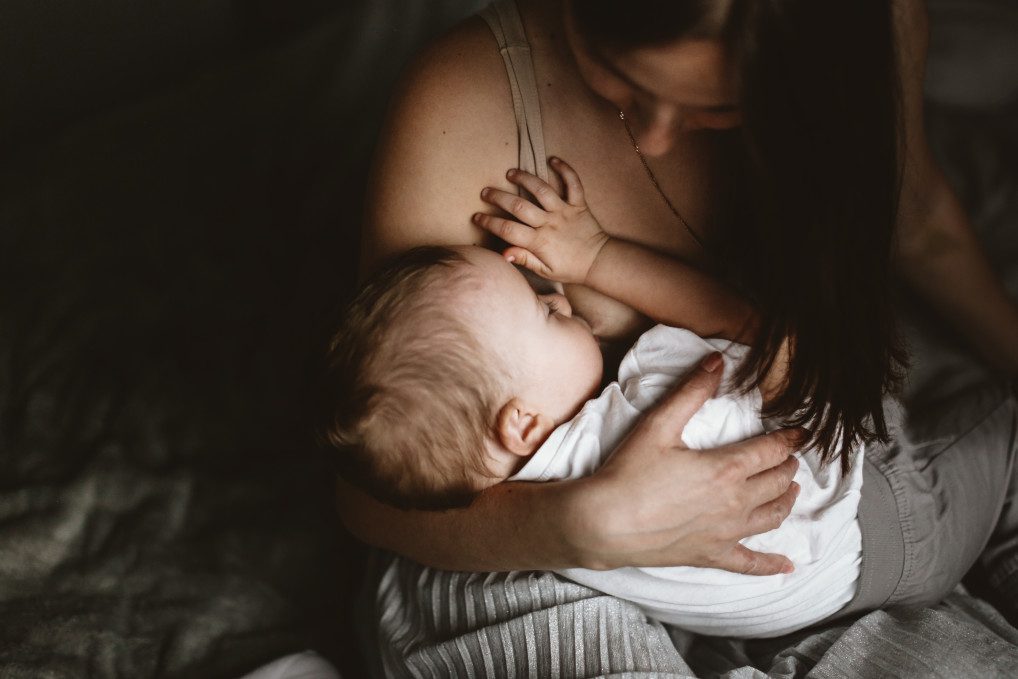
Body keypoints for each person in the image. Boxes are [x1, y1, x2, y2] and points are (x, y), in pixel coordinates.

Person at [344, 0, 1018, 674]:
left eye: (719, 105)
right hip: (523, 535)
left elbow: (914, 217)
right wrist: (579, 525)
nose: (655, 138)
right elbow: (382, 480)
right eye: (619, 75)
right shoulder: (460, 105)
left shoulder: (875, 26)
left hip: (818, 541)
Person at [326, 160, 868, 638]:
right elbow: (767, 339)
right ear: (520, 422)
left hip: (779, 607)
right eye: (543, 313)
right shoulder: (653, 407)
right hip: (857, 537)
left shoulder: (512, 509)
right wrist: (595, 258)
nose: (559, 299)